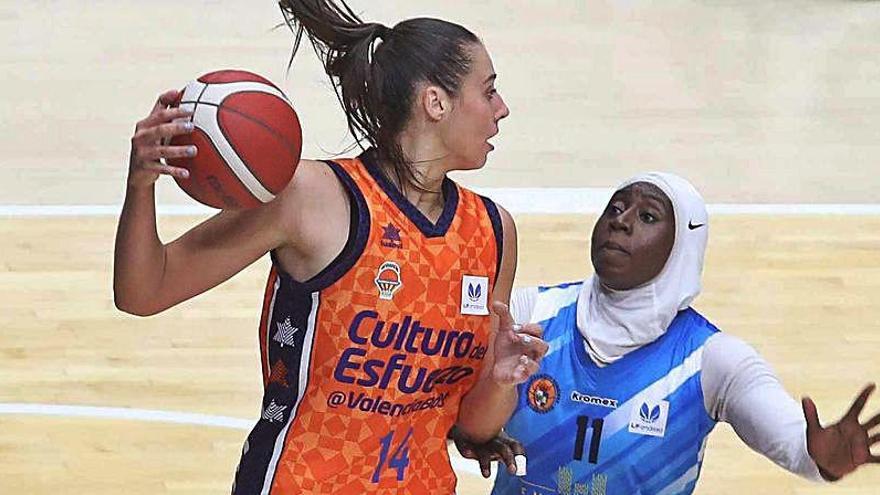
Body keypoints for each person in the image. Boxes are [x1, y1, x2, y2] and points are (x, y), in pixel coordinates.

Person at [113, 1, 548, 493]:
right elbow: (143, 291)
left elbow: (471, 428)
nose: (501, 108)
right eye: (488, 92)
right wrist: (141, 185)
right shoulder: (312, 197)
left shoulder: (492, 230)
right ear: (436, 103)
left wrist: (500, 378)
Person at [454, 172, 880, 494]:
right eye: (616, 208)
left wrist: (824, 457)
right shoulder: (530, 317)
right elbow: (456, 418)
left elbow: (796, 445)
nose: (621, 222)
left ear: (682, 245)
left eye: (647, 216)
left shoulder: (714, 361)